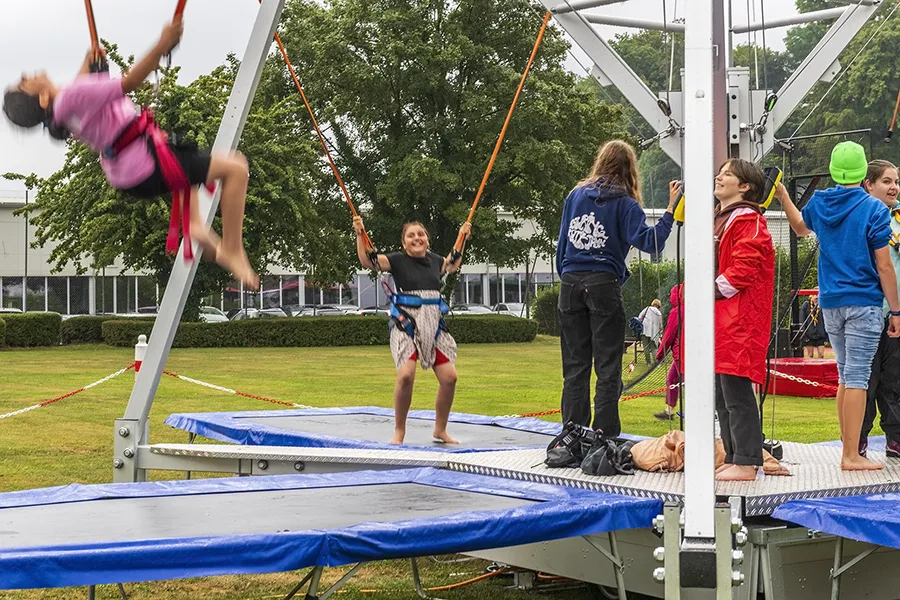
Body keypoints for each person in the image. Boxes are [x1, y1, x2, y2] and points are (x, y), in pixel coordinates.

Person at [2, 18, 258, 290]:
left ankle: (195, 226)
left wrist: (89, 64)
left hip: (132, 174)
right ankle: (232, 249)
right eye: (23, 83)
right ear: (42, 98)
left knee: (190, 175)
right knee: (236, 168)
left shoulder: (62, 115)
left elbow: (76, 90)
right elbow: (131, 82)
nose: (25, 76)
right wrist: (163, 44)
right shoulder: (71, 98)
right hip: (146, 162)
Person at [778, 141, 900, 471]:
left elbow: (800, 228)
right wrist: (896, 311)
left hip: (830, 301)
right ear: (863, 174)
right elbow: (884, 266)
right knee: (858, 377)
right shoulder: (874, 210)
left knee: (845, 375)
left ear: (833, 171)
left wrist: (784, 196)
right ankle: (851, 455)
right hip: (864, 301)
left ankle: (849, 448)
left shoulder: (820, 202)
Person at [556, 139, 676, 436]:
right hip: (603, 282)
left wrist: (569, 275)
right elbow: (651, 242)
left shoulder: (575, 196)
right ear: (629, 169)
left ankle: (572, 434)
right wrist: (670, 211)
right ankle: (604, 435)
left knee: (575, 367)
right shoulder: (625, 204)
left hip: (571, 281)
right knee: (607, 367)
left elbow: (562, 244)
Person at [353, 215, 471, 445]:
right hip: (406, 324)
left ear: (427, 239)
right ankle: (399, 431)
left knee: (450, 378)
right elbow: (368, 261)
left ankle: (440, 429)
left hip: (433, 325)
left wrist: (462, 237)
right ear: (404, 243)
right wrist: (360, 234)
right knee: (406, 375)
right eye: (411, 235)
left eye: (421, 234)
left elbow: (453, 263)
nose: (417, 238)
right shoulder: (397, 261)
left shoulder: (436, 261)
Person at [713, 158, 775, 482]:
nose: (719, 177)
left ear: (745, 186)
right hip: (724, 319)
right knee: (722, 394)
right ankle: (734, 455)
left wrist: (707, 290)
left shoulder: (749, 220)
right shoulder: (724, 218)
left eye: (727, 174)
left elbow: (743, 270)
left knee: (736, 392)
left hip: (739, 319)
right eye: (720, 172)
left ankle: (748, 460)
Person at [861, 160, 900, 458]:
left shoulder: (898, 217)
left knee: (894, 380)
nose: (894, 187)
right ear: (869, 184)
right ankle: (857, 438)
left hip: (896, 314)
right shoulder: (859, 216)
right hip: (866, 311)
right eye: (886, 181)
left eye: (896, 181)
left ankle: (895, 439)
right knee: (864, 380)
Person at [655, 284, 683, 421]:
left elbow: (669, 335)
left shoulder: (676, 312)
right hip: (687, 353)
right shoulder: (693, 309)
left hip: (681, 354)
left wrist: (660, 354)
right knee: (672, 378)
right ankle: (669, 411)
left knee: (687, 382)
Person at [638, 299, 663, 364]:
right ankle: (656, 362)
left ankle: (648, 363)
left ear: (653, 303)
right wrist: (660, 333)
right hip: (654, 333)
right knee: (654, 348)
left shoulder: (647, 308)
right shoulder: (659, 313)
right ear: (659, 305)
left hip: (645, 330)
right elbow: (660, 325)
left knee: (646, 347)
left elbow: (640, 317)